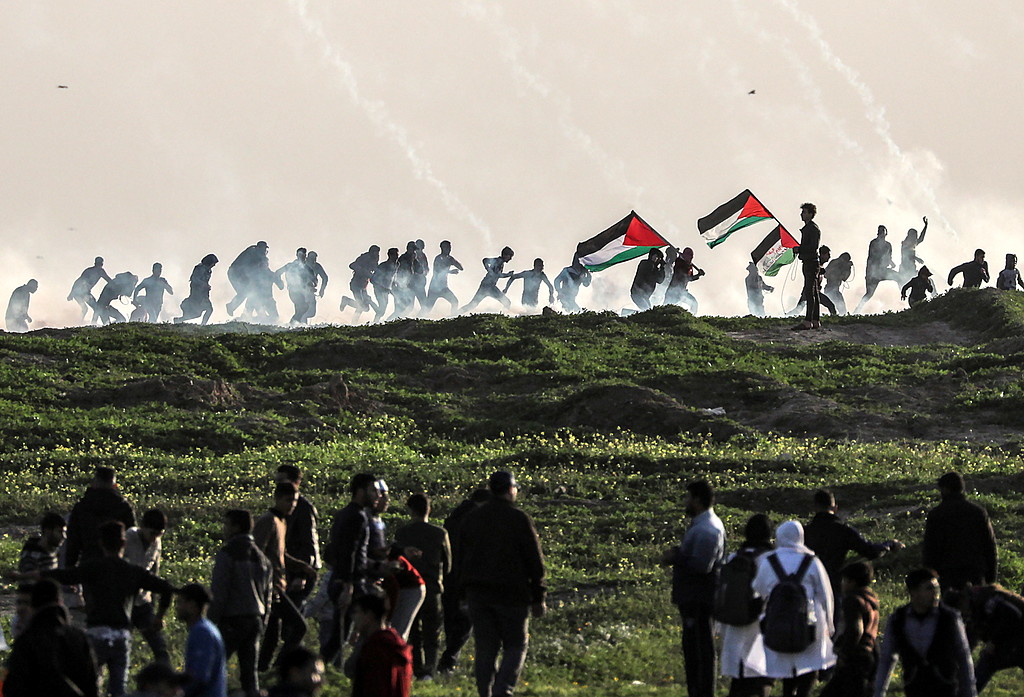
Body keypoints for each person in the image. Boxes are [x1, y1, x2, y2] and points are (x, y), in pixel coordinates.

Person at [43, 521, 175, 697]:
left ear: (101, 543)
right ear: (123, 543)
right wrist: (159, 615)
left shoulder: (93, 567)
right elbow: (166, 588)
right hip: (121, 636)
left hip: (97, 634)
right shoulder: (132, 571)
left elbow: (65, 576)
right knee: (118, 689)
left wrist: (31, 575)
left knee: (88, 685)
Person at [455, 471, 546, 697]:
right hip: (512, 594)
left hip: (478, 593)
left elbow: (460, 558)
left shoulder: (472, 518)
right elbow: (534, 561)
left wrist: (462, 593)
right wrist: (539, 596)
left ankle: (484, 693)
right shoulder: (518, 518)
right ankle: (502, 690)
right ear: (510, 490)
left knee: (485, 648)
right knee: (516, 645)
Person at [751, 520, 834, 697]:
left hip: (777, 623)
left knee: (785, 668)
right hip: (809, 624)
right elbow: (825, 595)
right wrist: (829, 624)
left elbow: (758, 590)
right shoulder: (812, 562)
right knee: (809, 668)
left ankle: (787, 692)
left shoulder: (769, 561)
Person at [661, 480, 726, 697]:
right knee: (694, 648)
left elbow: (702, 565)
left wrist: (675, 557)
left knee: (699, 649)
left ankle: (702, 691)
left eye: (688, 497)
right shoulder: (702, 525)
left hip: (699, 599)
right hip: (695, 597)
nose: (685, 502)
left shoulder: (707, 529)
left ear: (697, 500)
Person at [874, 568, 976, 697]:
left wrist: (970, 692)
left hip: (945, 688)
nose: (935, 594)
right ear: (914, 592)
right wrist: (879, 692)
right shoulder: (898, 619)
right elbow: (887, 658)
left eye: (936, 589)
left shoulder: (949, 617)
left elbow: (963, 656)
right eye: (929, 589)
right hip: (914, 688)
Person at [209, 509, 273, 697]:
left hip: (232, 619)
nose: (224, 528)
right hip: (255, 619)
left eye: (227, 524)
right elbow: (268, 596)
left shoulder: (227, 553)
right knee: (249, 674)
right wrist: (264, 621)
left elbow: (219, 591)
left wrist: (210, 621)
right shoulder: (262, 558)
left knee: (214, 666)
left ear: (236, 527)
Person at [254, 482, 314, 671]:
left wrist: (302, 566)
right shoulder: (268, 521)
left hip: (278, 587)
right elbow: (257, 553)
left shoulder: (282, 521)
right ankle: (277, 669)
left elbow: (280, 555)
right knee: (298, 627)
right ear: (277, 499)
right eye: (288, 500)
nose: (292, 505)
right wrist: (265, 583)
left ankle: (264, 671)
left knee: (272, 636)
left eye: (294, 501)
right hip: (271, 588)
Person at [3, 577, 99, 697]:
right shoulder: (78, 637)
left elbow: (14, 687)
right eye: (19, 603)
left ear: (34, 604)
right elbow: (91, 685)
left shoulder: (29, 640)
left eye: (26, 603)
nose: (20, 609)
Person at [803, 489, 903, 602]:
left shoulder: (804, 532)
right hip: (833, 587)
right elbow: (870, 551)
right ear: (835, 508)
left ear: (814, 508)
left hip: (808, 587)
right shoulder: (843, 530)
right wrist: (890, 544)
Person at [321, 473, 378, 663]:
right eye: (373, 490)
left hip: (344, 580)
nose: (377, 495)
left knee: (341, 635)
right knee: (362, 629)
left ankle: (328, 667)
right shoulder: (357, 517)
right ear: (360, 491)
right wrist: (347, 586)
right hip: (351, 582)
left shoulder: (345, 514)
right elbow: (349, 552)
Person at [394, 493, 452, 679]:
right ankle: (431, 668)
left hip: (408, 586)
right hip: (432, 588)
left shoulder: (402, 533)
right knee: (432, 631)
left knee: (413, 632)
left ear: (411, 510)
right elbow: (448, 565)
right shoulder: (440, 534)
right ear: (429, 509)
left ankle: (416, 667)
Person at [718, 513, 774, 697]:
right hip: (759, 626)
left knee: (739, 679)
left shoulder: (734, 557)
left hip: (733, 623)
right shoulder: (771, 559)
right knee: (759, 678)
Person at [437, 487, 491, 675]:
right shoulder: (475, 520)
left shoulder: (455, 516)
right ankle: (449, 659)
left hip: (449, 574)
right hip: (466, 576)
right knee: (467, 619)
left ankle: (448, 659)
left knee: (451, 616)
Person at [923, 471, 997, 592]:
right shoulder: (978, 512)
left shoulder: (936, 514)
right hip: (975, 573)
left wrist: (929, 577)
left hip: (947, 574)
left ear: (945, 489)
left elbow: (930, 549)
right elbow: (989, 545)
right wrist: (990, 577)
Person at [818, 562, 880, 697]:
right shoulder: (871, 600)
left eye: (844, 580)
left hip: (854, 658)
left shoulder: (852, 600)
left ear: (852, 582)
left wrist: (844, 654)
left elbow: (855, 630)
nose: (842, 584)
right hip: (869, 654)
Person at [954, 583, 1024, 692]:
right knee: (987, 662)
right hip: (1012, 638)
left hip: (1018, 636)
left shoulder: (990, 601)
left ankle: (967, 692)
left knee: (988, 662)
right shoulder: (979, 605)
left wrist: (994, 642)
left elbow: (1012, 616)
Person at [344, 592, 413, 697]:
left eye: (356, 612)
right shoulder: (396, 642)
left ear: (369, 615)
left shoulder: (377, 647)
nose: (353, 618)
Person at [66, 466, 136, 567]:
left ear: (94, 483)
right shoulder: (123, 507)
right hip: (116, 565)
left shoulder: (82, 506)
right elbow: (132, 538)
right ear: (114, 485)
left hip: (88, 563)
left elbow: (73, 542)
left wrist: (70, 568)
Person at [125, 509, 170, 664]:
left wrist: (155, 608)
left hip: (143, 601)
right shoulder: (128, 538)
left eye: (159, 534)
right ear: (142, 526)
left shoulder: (156, 543)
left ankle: (165, 675)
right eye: (152, 533)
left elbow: (154, 573)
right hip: (125, 601)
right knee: (122, 647)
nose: (154, 538)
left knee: (159, 646)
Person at [275, 465, 321, 609]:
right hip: (290, 569)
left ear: (296, 482)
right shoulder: (283, 507)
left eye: (282, 481)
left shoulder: (303, 509)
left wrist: (302, 576)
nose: (278, 485)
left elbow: (309, 543)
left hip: (300, 572)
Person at [176, 583, 227, 697]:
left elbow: (199, 675)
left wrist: (180, 693)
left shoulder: (202, 632)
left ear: (192, 605)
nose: (177, 607)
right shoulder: (207, 628)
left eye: (180, 602)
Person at [854, 226, 900, 313]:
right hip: (873, 272)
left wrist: (891, 263)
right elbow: (871, 257)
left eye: (883, 232)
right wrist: (869, 274)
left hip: (883, 271)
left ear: (886, 234)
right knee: (869, 294)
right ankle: (857, 310)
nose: (882, 234)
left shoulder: (888, 245)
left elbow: (889, 257)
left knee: (899, 278)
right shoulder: (874, 243)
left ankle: (905, 296)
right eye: (880, 232)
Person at [462, 247, 516, 313]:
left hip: (486, 285)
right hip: (489, 286)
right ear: (505, 255)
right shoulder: (498, 261)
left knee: (472, 304)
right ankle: (504, 315)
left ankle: (456, 313)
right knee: (507, 302)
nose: (510, 259)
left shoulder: (499, 261)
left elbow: (485, 261)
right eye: (510, 256)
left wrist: (489, 270)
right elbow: (497, 274)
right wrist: (508, 274)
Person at [793, 203, 822, 330]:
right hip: (810, 262)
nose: (802, 214)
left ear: (810, 214)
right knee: (814, 292)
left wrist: (799, 249)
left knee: (809, 292)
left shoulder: (812, 229)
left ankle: (808, 320)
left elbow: (812, 247)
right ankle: (815, 320)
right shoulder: (810, 228)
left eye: (804, 212)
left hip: (810, 262)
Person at [790, 246, 838, 318]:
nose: (829, 257)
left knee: (799, 309)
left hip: (814, 291)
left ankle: (788, 316)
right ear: (823, 254)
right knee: (830, 306)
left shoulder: (820, 264)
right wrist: (819, 270)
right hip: (810, 290)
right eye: (828, 254)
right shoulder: (816, 262)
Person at [226, 241, 270, 316]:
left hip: (241, 274)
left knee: (250, 292)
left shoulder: (255, 254)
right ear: (259, 248)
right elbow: (250, 268)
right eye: (263, 249)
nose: (264, 251)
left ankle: (251, 312)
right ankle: (232, 307)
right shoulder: (252, 253)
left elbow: (263, 268)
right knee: (245, 292)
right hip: (236, 273)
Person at [175, 254, 219, 325]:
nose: (214, 265)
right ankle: (180, 320)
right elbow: (194, 279)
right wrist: (202, 285)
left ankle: (202, 324)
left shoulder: (208, 270)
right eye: (213, 263)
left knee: (207, 310)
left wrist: (206, 286)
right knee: (198, 313)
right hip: (197, 294)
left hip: (204, 294)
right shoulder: (200, 268)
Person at [339, 246, 380, 321]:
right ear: (371, 252)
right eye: (375, 252)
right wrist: (363, 271)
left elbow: (375, 270)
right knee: (361, 305)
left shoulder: (375, 259)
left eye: (377, 252)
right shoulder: (364, 257)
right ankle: (347, 301)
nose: (377, 254)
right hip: (356, 284)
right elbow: (352, 265)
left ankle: (354, 322)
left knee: (365, 307)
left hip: (364, 285)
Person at [276, 248, 315, 325]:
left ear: (305, 256)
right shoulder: (290, 266)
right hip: (293, 291)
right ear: (297, 255)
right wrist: (280, 283)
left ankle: (296, 325)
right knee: (303, 307)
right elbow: (278, 273)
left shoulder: (307, 268)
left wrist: (312, 285)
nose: (302, 256)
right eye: (300, 254)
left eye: (303, 254)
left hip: (304, 292)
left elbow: (314, 280)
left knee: (301, 309)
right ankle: (292, 324)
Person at [68, 256, 112, 324]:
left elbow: (109, 280)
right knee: (95, 308)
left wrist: (71, 293)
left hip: (79, 293)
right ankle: (91, 323)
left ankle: (82, 322)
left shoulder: (95, 271)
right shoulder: (96, 271)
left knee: (86, 309)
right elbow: (78, 281)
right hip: (80, 293)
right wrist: (71, 293)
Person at [424, 240, 463, 314]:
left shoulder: (449, 258)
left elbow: (461, 268)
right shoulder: (438, 258)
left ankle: (453, 317)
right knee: (428, 308)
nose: (449, 250)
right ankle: (417, 318)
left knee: (454, 301)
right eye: (447, 248)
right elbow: (437, 271)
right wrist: (450, 271)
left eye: (450, 248)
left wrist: (453, 261)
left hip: (443, 287)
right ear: (442, 248)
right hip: (434, 288)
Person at [664, 247, 705, 312]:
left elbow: (690, 278)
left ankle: (691, 316)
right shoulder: (679, 262)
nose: (692, 257)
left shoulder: (689, 265)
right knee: (667, 308)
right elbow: (685, 277)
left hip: (682, 291)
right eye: (690, 255)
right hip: (673, 291)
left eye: (692, 256)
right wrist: (698, 275)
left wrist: (698, 275)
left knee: (694, 303)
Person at [390, 242, 424, 319]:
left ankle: (397, 320)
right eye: (413, 250)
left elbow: (421, 270)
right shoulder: (403, 259)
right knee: (400, 308)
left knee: (409, 307)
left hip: (410, 287)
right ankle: (390, 321)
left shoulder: (413, 259)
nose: (414, 252)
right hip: (402, 287)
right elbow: (400, 273)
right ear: (409, 249)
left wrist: (414, 260)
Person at [370, 248, 400, 322]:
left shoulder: (397, 264)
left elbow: (393, 276)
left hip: (387, 289)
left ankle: (376, 322)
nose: (397, 257)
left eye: (397, 255)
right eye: (395, 255)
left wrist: (394, 284)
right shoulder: (383, 266)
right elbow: (373, 279)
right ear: (390, 255)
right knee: (382, 309)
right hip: (379, 289)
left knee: (382, 310)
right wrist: (380, 286)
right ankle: (374, 322)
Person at [898, 216, 928, 281]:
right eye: (915, 236)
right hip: (905, 270)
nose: (916, 238)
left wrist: (925, 226)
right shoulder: (905, 244)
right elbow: (908, 255)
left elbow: (921, 239)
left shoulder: (913, 244)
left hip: (911, 269)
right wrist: (917, 259)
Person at [303, 251, 329, 322]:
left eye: (314, 258)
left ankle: (302, 322)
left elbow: (325, 277)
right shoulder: (303, 265)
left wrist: (322, 290)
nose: (313, 260)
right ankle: (301, 324)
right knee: (303, 310)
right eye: (311, 258)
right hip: (302, 291)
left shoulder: (317, 266)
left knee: (312, 312)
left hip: (311, 290)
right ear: (307, 258)